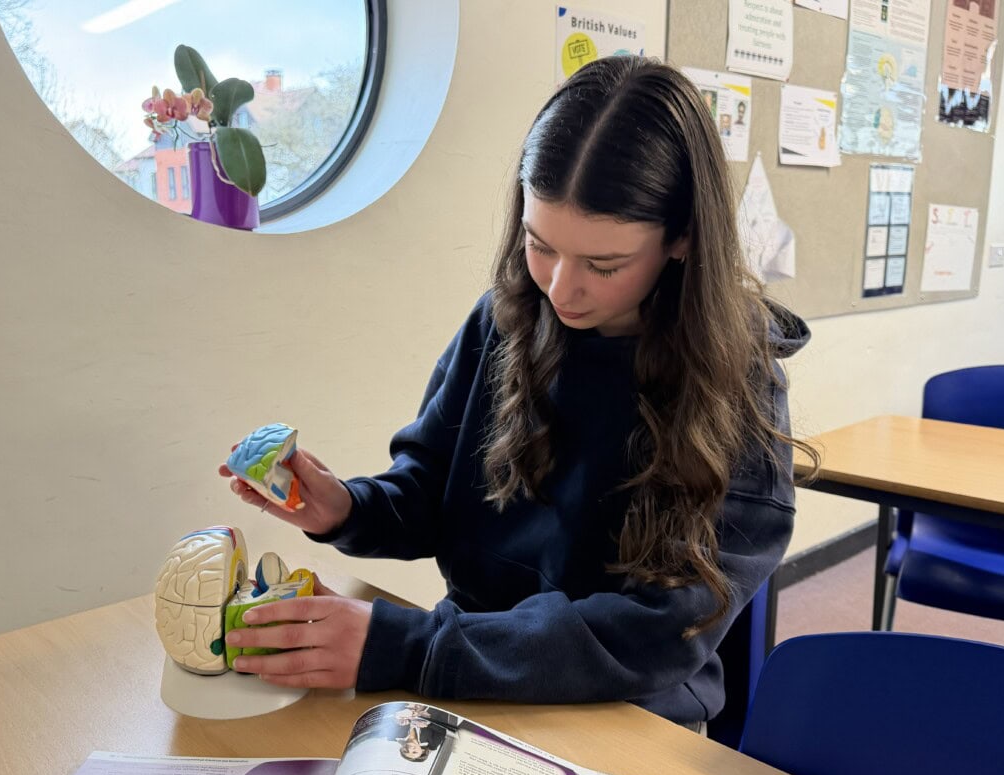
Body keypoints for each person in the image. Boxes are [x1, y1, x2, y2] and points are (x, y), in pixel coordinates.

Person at [219, 56, 819, 730]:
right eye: (540, 246)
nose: (561, 289)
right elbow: (430, 495)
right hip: (471, 680)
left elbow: (660, 631)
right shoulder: (502, 319)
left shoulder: (736, 383)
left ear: (681, 239)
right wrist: (346, 508)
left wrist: (403, 648)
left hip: (627, 714)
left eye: (604, 264)